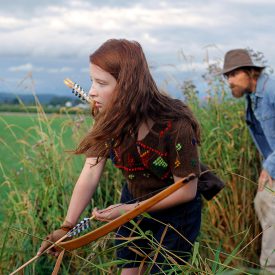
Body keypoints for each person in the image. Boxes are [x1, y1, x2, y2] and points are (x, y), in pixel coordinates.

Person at [38, 39, 202, 274]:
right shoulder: (109, 118)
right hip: (131, 201)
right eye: (92, 81)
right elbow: (91, 171)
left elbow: (186, 190)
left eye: (101, 83)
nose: (92, 91)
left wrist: (126, 210)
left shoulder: (176, 125)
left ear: (128, 86)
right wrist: (67, 226)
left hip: (176, 214)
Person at [221, 49, 275, 273]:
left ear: (250, 72)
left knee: (271, 212)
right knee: (261, 203)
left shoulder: (271, 90)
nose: (229, 81)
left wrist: (269, 166)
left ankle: (269, 269)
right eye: (226, 77)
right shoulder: (252, 98)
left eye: (233, 74)